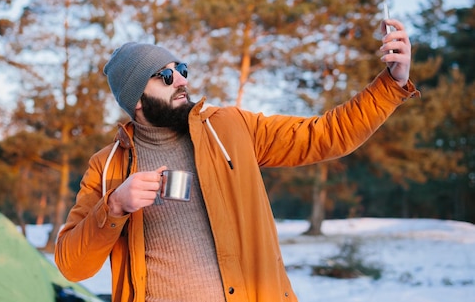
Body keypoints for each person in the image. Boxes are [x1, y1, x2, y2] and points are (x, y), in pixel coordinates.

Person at [55, 18, 420, 302]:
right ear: (137, 99)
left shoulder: (229, 128)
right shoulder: (107, 168)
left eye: (181, 68)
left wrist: (391, 83)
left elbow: (325, 133)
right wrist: (115, 206)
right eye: (165, 76)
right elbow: (72, 265)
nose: (181, 80)